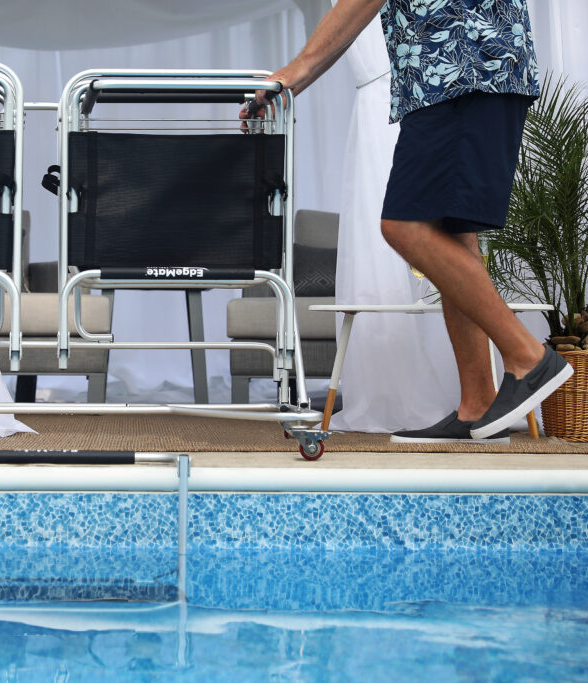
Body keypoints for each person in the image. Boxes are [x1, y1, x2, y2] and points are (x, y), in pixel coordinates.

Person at [243, 0, 573, 444]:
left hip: (459, 66)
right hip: (466, 69)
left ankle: (527, 355)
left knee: (406, 226)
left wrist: (294, 72)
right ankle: (477, 402)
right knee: (452, 233)